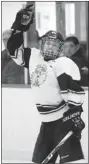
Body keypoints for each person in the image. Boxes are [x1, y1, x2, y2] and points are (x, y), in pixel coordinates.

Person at [3, 5, 85, 163]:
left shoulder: (63, 63)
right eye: (47, 43)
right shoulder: (34, 56)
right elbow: (13, 50)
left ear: (60, 48)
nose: (49, 47)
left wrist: (75, 119)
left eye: (54, 45)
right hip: (46, 124)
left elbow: (74, 94)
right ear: (42, 44)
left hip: (63, 122)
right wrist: (18, 28)